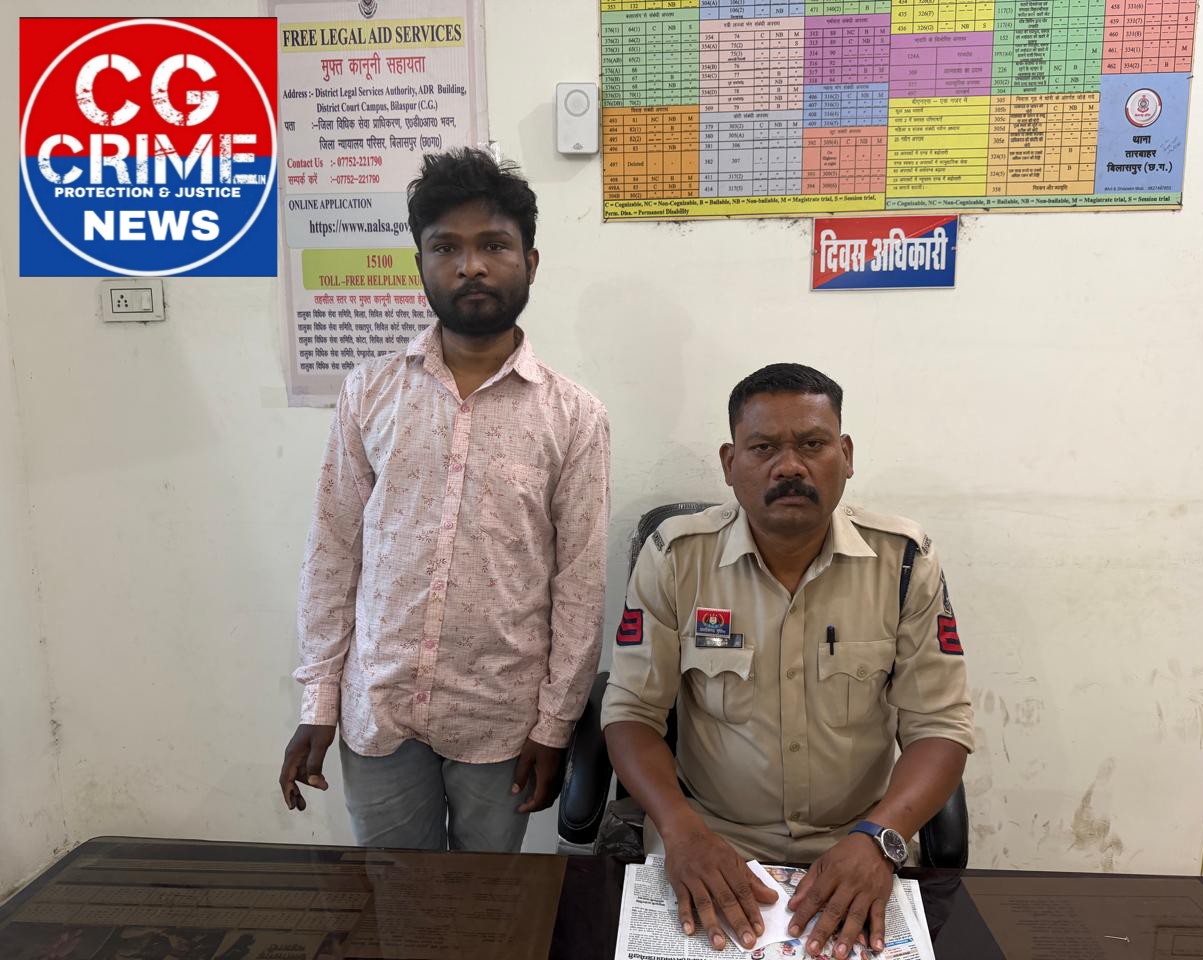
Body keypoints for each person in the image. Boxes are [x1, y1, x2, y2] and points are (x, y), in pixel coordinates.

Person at [279, 148, 611, 852]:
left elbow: (580, 583)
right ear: (420, 263)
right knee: (398, 899)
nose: (471, 267)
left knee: (486, 904)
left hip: (502, 718)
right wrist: (319, 699)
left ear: (531, 261)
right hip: (380, 706)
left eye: (494, 245)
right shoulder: (369, 393)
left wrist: (555, 724)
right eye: (447, 248)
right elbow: (333, 551)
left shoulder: (574, 415)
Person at [602, 363, 972, 959]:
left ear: (845, 455)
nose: (790, 466)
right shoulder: (676, 557)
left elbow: (940, 725)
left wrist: (879, 839)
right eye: (764, 448)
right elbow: (631, 713)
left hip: (858, 844)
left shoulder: (904, 562)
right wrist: (681, 830)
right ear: (730, 463)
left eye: (812, 444)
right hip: (709, 842)